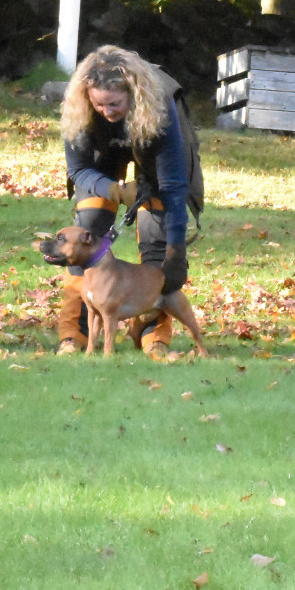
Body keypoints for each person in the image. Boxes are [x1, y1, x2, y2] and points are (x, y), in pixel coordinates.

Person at [57, 45, 201, 357]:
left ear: (133, 94)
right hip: (101, 162)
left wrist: (176, 249)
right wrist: (111, 189)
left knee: (157, 241)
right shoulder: (79, 108)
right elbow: (78, 169)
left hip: (153, 150)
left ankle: (154, 338)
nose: (107, 111)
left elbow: (174, 185)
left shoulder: (160, 106)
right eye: (99, 104)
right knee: (87, 233)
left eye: (114, 103)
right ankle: (74, 336)